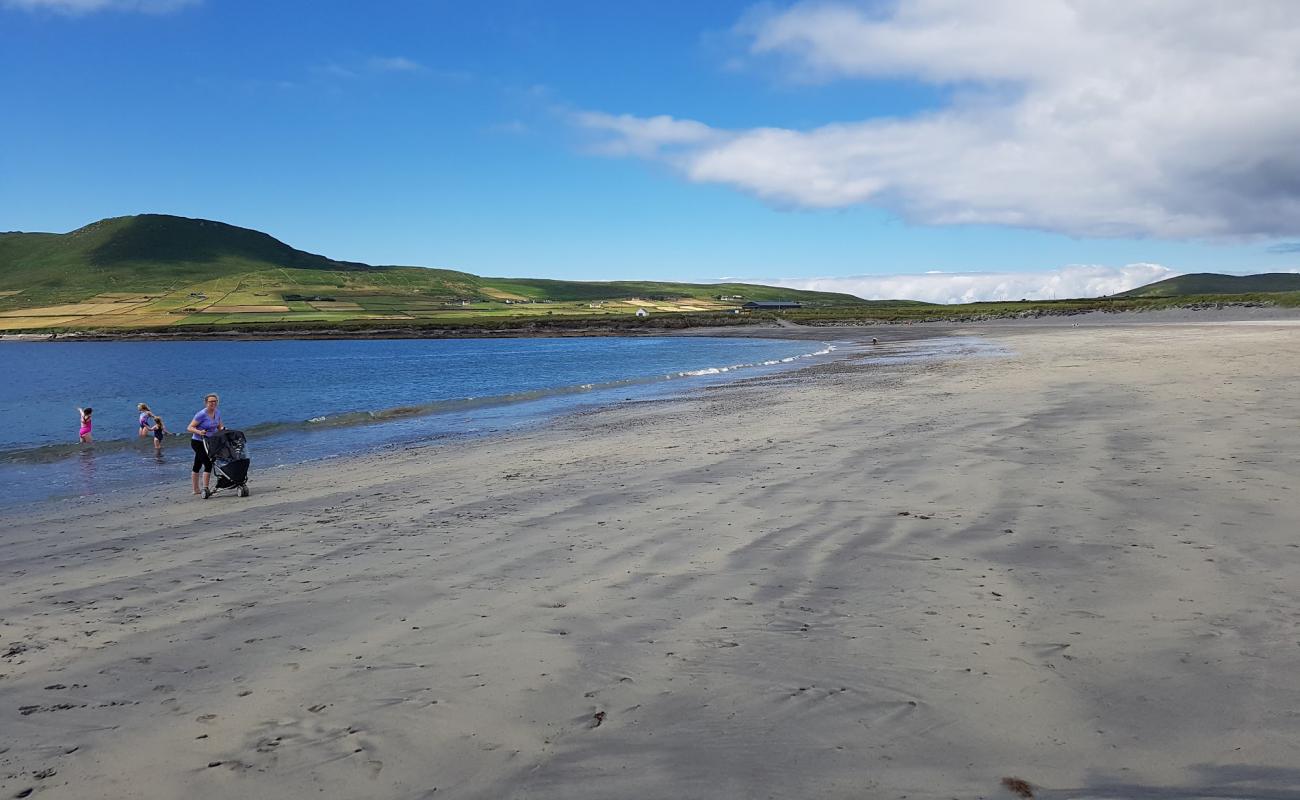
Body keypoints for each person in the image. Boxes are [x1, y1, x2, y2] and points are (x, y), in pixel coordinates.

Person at [186, 393, 224, 495]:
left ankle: (195, 489)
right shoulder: (201, 414)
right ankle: (205, 488)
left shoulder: (218, 413)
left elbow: (220, 426)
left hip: (209, 442)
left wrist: (224, 431)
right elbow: (189, 427)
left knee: (197, 464)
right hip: (198, 442)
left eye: (215, 401)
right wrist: (199, 432)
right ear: (206, 403)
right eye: (210, 401)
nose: (213, 403)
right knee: (208, 463)